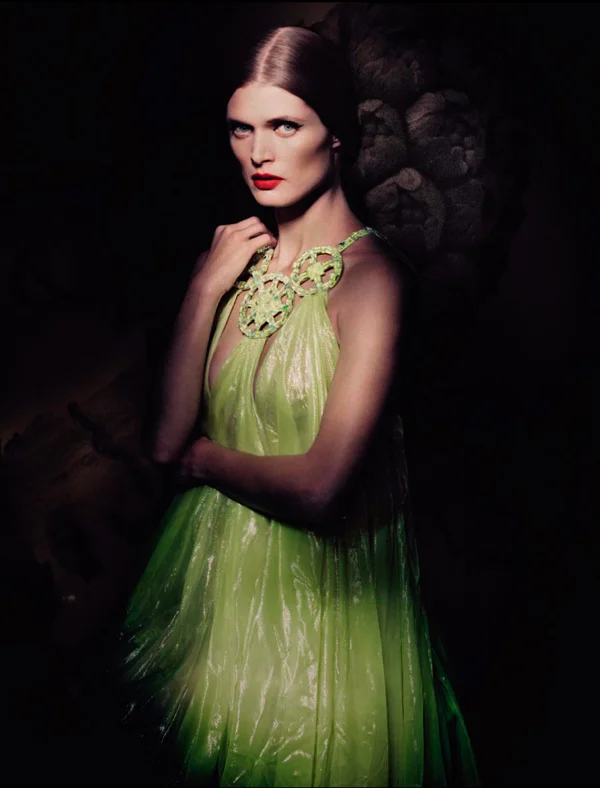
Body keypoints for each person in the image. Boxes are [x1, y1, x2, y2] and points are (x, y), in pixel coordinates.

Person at [116, 25, 479, 787]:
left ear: (335, 134)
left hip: (326, 618)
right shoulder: (229, 264)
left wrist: (205, 461)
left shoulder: (372, 280)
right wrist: (204, 288)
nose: (259, 152)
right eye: (240, 129)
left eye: (284, 126)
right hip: (214, 597)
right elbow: (164, 441)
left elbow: (319, 490)